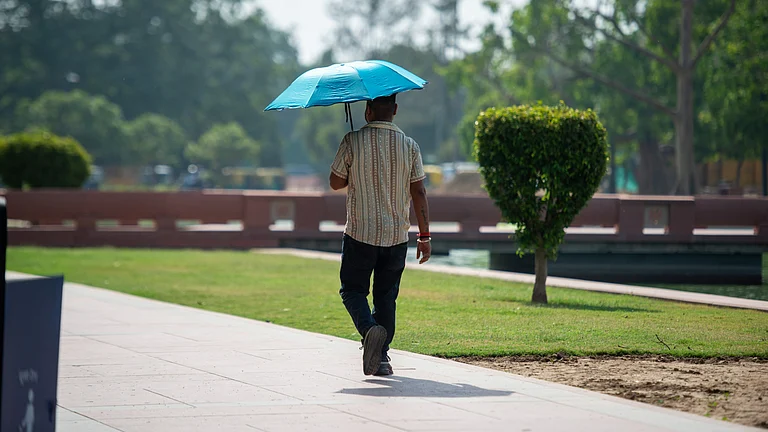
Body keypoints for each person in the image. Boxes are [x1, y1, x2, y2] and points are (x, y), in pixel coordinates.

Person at [329, 93, 432, 376]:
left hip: (361, 232)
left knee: (352, 290)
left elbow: (335, 182)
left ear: (368, 111)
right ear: (395, 110)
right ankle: (382, 358)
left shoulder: (352, 141)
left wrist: (353, 167)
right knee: (386, 298)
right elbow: (419, 191)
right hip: (397, 236)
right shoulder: (410, 146)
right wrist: (425, 237)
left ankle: (369, 329)